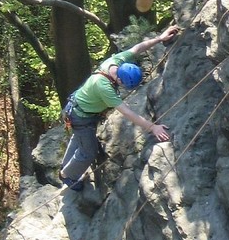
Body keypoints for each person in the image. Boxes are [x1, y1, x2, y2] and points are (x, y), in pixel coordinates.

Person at [59, 24, 180, 190]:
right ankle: (67, 175)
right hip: (80, 117)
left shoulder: (115, 62)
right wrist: (153, 127)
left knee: (79, 139)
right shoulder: (104, 87)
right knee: (89, 151)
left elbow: (137, 48)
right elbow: (127, 112)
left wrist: (160, 38)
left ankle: (66, 166)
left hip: (78, 109)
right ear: (121, 81)